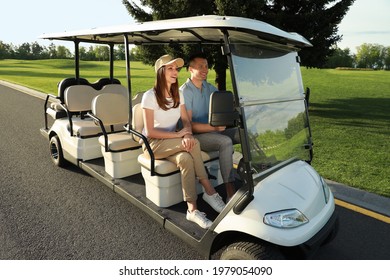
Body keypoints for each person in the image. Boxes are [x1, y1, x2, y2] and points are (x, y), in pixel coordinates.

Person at [140, 54, 226, 229]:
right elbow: (150, 131)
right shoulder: (149, 96)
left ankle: (192, 209)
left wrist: (186, 134)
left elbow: (186, 120)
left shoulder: (178, 94)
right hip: (152, 143)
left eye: (176, 69)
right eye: (170, 68)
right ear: (160, 72)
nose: (175, 72)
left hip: (172, 141)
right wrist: (181, 136)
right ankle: (210, 191)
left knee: (186, 159)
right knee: (194, 144)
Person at [180, 53, 239, 202]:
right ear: (190, 69)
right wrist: (214, 128)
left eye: (206, 66)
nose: (205, 69)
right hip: (195, 136)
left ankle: (253, 174)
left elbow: (222, 106)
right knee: (225, 141)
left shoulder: (209, 87)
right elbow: (190, 126)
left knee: (244, 134)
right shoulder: (185, 92)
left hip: (213, 131)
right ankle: (230, 190)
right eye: (200, 67)